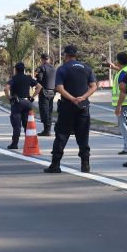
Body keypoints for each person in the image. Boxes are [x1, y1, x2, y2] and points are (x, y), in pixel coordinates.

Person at [43, 45, 97, 173]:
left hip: (68, 106)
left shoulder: (62, 69)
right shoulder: (86, 68)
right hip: (83, 107)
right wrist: (82, 97)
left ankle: (55, 164)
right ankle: (85, 164)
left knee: (62, 135)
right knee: (83, 136)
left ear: (65, 55)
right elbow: (94, 86)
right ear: (76, 55)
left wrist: (72, 99)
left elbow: (59, 88)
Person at [5, 62, 38, 149]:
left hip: (17, 103)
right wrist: (32, 97)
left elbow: (6, 88)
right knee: (27, 125)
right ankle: (30, 144)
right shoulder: (28, 78)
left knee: (16, 125)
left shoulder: (14, 78)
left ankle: (14, 144)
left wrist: (9, 98)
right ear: (24, 69)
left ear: (15, 69)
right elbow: (39, 87)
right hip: (27, 103)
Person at [109, 51, 127, 154]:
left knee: (124, 126)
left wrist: (118, 106)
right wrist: (113, 67)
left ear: (118, 61)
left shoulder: (122, 73)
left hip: (124, 103)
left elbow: (123, 91)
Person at [34, 53, 57, 136]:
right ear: (49, 59)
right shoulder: (54, 68)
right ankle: (48, 129)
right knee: (50, 110)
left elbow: (39, 78)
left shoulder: (41, 68)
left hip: (44, 92)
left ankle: (46, 130)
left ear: (42, 59)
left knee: (44, 110)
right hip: (52, 92)